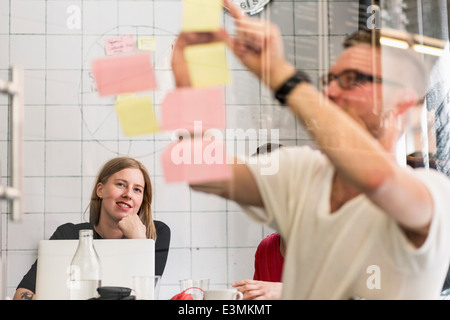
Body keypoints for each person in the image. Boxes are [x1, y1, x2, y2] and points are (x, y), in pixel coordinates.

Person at [171, 0, 450, 299]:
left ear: (401, 104)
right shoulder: (303, 171)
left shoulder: (433, 193)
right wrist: (190, 81)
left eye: (352, 79)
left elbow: (376, 179)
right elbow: (202, 170)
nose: (329, 91)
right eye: (329, 80)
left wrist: (279, 74)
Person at [13, 157, 171, 300]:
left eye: (137, 189)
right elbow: (21, 294)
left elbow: (145, 294)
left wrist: (139, 241)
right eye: (121, 184)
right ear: (100, 190)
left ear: (142, 199)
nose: (128, 194)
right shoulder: (68, 234)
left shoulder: (156, 233)